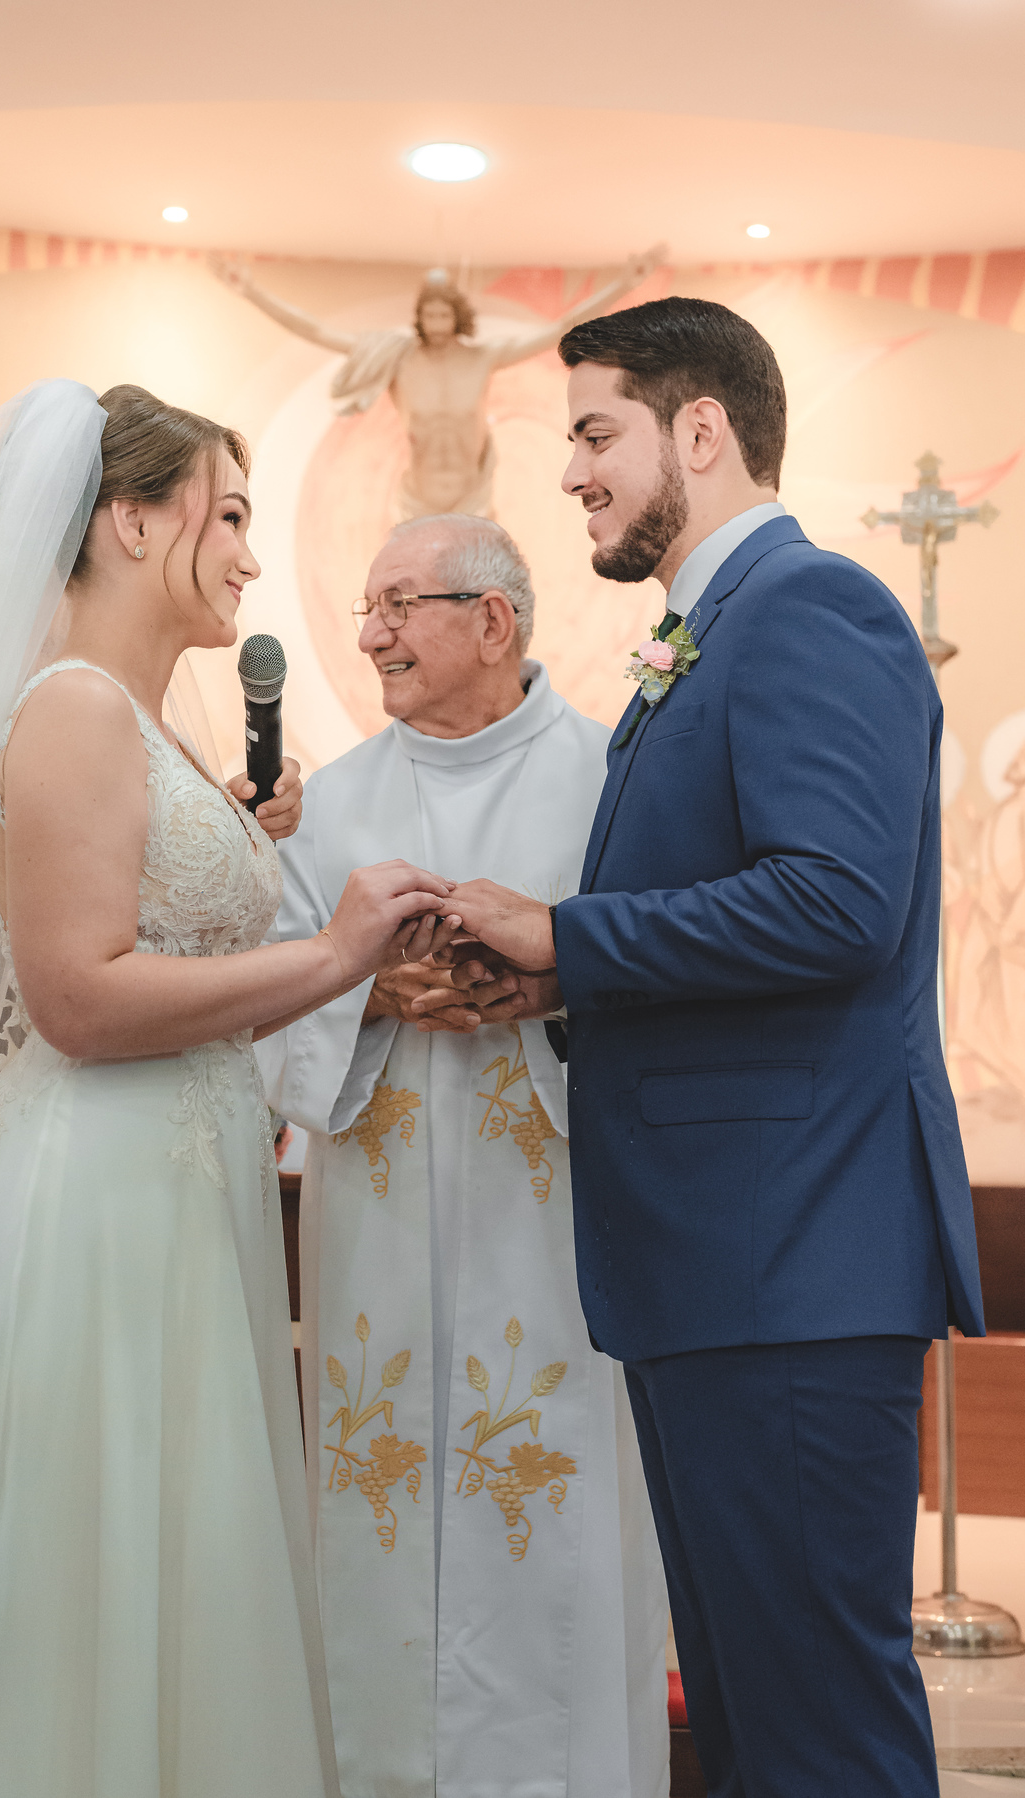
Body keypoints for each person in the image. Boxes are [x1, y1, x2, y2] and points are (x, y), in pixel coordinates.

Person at [0, 379, 460, 1798]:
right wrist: (335, 950)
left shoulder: (133, 716)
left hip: (161, 1201)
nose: (249, 551)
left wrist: (254, 863)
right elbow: (78, 997)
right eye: (227, 514)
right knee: (88, 1595)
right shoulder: (69, 711)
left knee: (170, 1583)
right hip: (87, 1214)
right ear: (127, 519)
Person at [439, 297, 985, 1797]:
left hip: (793, 1256)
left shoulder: (814, 608)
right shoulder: (708, 635)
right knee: (746, 1722)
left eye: (597, 432)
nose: (574, 474)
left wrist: (570, 935)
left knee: (821, 1727)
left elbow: (837, 902)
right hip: (723, 1263)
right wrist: (555, 986)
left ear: (703, 429)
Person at [256, 513, 669, 1798]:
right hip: (372, 1220)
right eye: (367, 605)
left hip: (550, 1227)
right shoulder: (331, 802)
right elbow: (259, 1000)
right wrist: (360, 994)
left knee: (547, 1511)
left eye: (398, 604)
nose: (367, 630)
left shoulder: (614, 781)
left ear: (494, 621)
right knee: (375, 1506)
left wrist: (544, 990)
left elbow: (669, 986)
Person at [211, 255, 660, 517]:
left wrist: (625, 282)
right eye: (430, 314)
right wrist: (249, 289)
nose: (437, 323)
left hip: (475, 500)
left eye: (445, 314)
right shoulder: (397, 358)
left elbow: (559, 326)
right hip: (416, 501)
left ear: (457, 316)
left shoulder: (482, 358)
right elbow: (315, 331)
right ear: (420, 317)